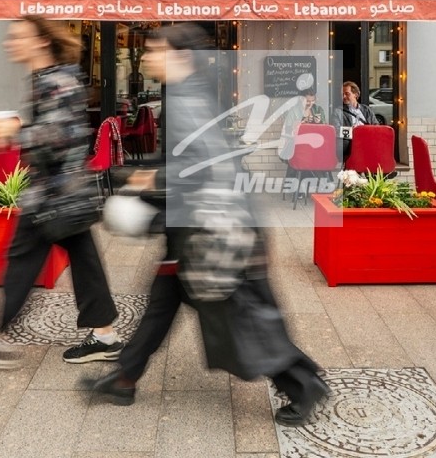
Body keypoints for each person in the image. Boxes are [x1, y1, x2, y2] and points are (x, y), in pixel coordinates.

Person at [84, 23, 330, 426]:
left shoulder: (186, 100)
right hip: (197, 228)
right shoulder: (186, 93)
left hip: (214, 233)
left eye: (155, 50)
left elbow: (197, 169)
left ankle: (304, 384)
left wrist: (146, 180)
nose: (146, 57)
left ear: (180, 56)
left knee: (243, 317)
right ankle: (125, 377)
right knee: (163, 302)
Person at [0, 14, 122, 369]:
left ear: (41, 41)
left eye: (19, 36)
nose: (10, 42)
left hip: (53, 196)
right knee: (84, 261)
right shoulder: (50, 77)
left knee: (21, 263)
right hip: (62, 194)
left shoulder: (57, 81)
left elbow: (61, 135)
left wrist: (15, 133)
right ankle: (105, 336)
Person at [331, 81, 378, 158]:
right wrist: (352, 131)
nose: (344, 97)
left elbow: (376, 126)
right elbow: (335, 130)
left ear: (355, 94)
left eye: (347, 94)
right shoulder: (338, 111)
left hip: (367, 139)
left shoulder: (366, 110)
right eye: (342, 94)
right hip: (350, 142)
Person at [278, 88, 326, 162]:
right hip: (298, 146)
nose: (310, 103)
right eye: (307, 101)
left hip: (314, 146)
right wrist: (300, 123)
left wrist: (319, 122)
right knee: (298, 165)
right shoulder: (293, 111)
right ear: (301, 99)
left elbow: (325, 130)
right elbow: (287, 132)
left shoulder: (318, 109)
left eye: (313, 101)